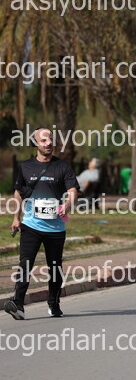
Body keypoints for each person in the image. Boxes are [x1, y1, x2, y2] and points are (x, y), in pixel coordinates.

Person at [4, 127, 79, 320]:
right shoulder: (25, 166)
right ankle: (18, 304)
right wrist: (16, 218)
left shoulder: (62, 166)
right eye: (44, 140)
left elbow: (73, 190)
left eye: (50, 139)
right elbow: (18, 193)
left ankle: (54, 303)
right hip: (31, 225)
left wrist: (67, 204)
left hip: (56, 228)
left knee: (55, 267)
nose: (48, 143)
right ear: (36, 143)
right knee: (25, 264)